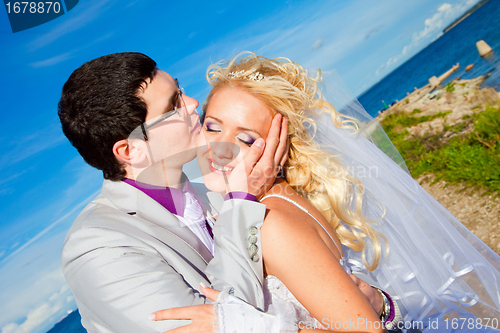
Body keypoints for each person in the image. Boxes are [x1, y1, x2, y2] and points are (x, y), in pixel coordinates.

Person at [153, 53, 500, 332]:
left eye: (246, 138)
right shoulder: (278, 202)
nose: (221, 148)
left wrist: (252, 326)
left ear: (281, 148)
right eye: (212, 127)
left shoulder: (270, 223)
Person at [58, 52, 384, 333]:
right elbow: (229, 321)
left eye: (181, 90)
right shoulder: (98, 248)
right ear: (131, 151)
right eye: (173, 106)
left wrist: (381, 304)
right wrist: (241, 203)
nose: (193, 103)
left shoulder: (218, 191)